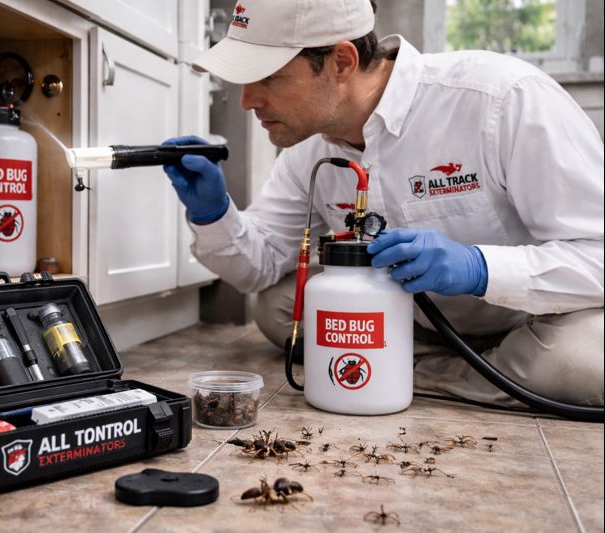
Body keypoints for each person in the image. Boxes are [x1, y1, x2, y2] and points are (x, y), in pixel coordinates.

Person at [162, 0, 603, 407]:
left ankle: (428, 372)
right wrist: (213, 214)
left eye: (269, 78)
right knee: (279, 306)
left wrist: (480, 267)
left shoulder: (501, 100)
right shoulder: (308, 148)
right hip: (410, 323)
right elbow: (259, 266)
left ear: (341, 62)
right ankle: (463, 376)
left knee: (586, 361)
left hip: (528, 323)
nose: (248, 101)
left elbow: (597, 256)